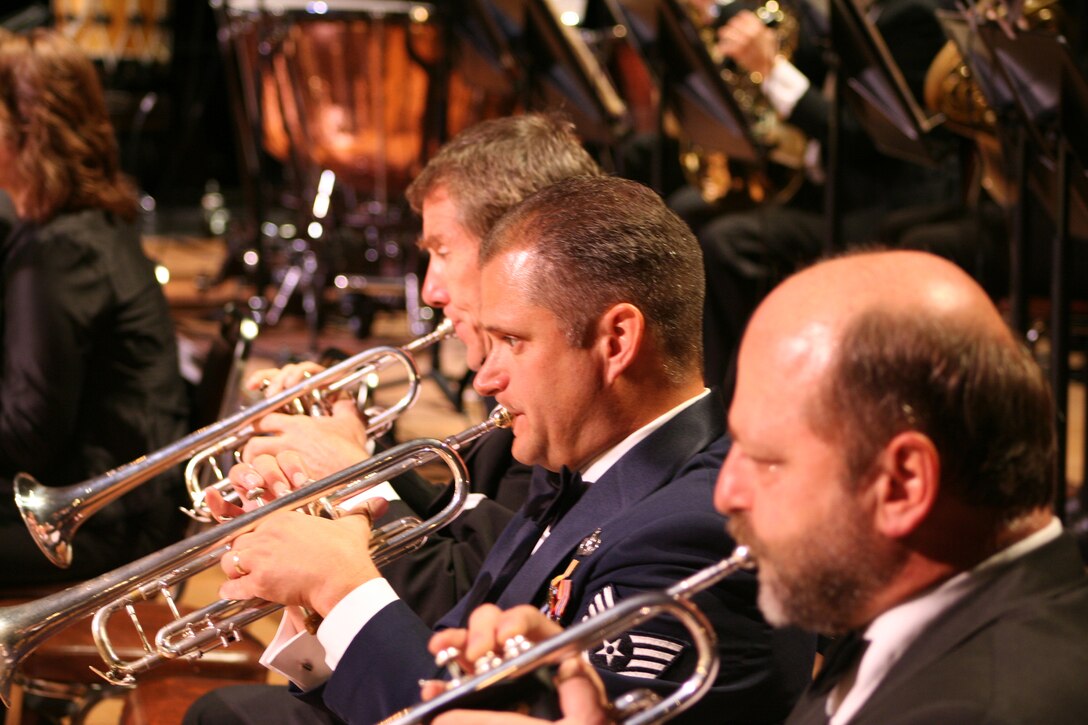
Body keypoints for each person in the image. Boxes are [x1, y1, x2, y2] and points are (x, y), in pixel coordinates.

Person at [199, 176, 816, 724]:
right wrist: (313, 605)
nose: (484, 379)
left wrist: (344, 585)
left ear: (617, 340)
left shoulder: (694, 535)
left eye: (512, 342)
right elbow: (455, 661)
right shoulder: (586, 468)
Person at [426, 248, 1088, 724]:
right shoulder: (923, 609)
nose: (725, 491)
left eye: (767, 460)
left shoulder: (989, 702)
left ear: (903, 483)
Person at [183, 114, 605, 722]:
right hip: (414, 678)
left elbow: (465, 584)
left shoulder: (563, 419)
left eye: (441, 250)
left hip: (438, 690)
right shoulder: (520, 402)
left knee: (224, 714)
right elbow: (465, 527)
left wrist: (356, 475)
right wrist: (315, 483)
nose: (430, 289)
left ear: (512, 246)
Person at [685, 0, 960, 392]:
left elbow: (858, 139)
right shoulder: (823, 15)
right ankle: (705, 389)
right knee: (689, 213)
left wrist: (771, 68)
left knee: (729, 243)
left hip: (883, 202)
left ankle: (748, 394)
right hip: (817, 189)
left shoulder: (912, 19)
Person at [0, 28, 190, 586]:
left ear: (25, 132)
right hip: (96, 502)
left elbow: (30, 436)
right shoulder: (75, 229)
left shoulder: (64, 252)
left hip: (102, 526)